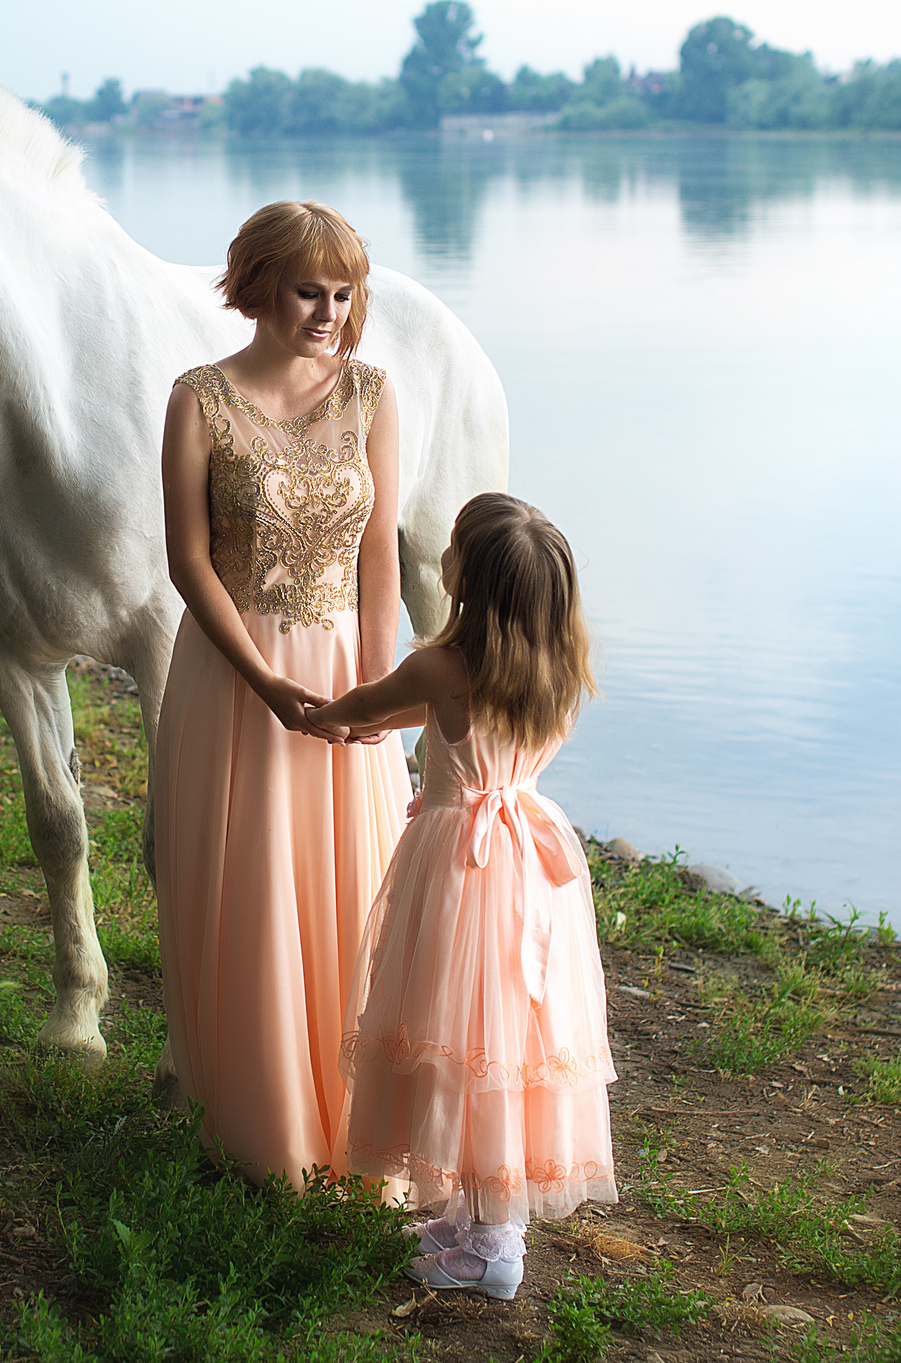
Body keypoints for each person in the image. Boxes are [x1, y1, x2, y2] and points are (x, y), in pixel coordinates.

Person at [151, 199, 414, 1188]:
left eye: (344, 293)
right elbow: (186, 563)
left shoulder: (372, 394)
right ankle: (265, 1132)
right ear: (257, 284)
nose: (329, 311)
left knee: (359, 899)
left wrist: (381, 686)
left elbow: (379, 549)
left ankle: (363, 1122)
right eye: (310, 289)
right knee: (254, 892)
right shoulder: (198, 399)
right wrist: (262, 681)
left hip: (346, 670)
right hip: (235, 677)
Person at [304, 492, 616, 1299]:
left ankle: (493, 1248)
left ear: (468, 579)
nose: (441, 554)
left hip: (460, 871)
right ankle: (474, 1215)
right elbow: (448, 716)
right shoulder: (556, 670)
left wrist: (325, 715)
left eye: (452, 546)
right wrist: (389, 721)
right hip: (529, 876)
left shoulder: (441, 664)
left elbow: (366, 707)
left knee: (454, 1029)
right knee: (506, 1043)